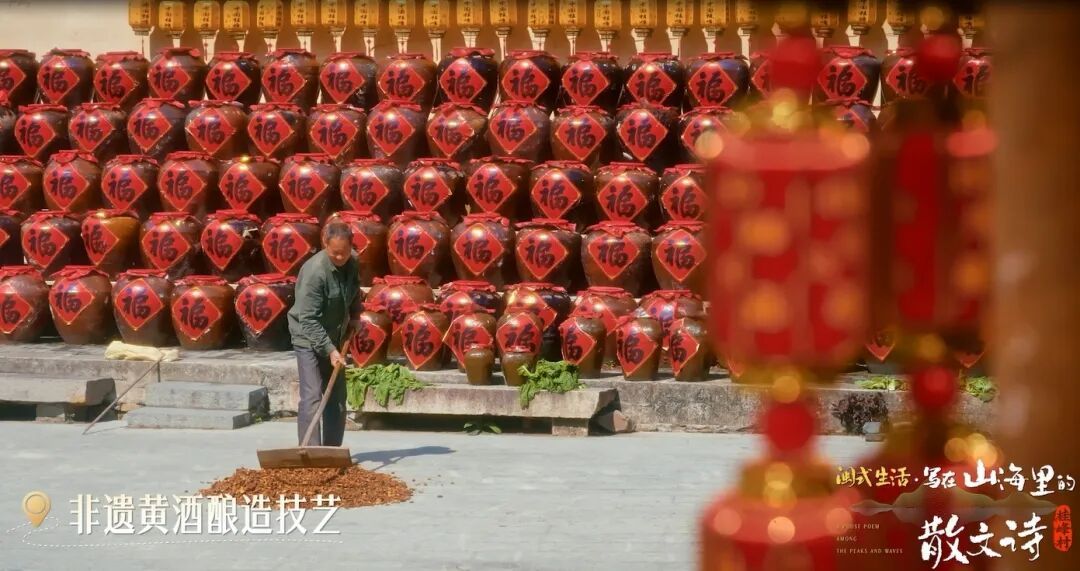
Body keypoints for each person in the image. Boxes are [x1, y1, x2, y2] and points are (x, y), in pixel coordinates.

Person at [287, 221, 361, 446]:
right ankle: (311, 452)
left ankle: (332, 451)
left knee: (337, 397)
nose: (340, 257)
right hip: (307, 337)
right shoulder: (315, 272)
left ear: (351, 246)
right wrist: (329, 350)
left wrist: (356, 315)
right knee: (312, 395)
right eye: (334, 252)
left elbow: (354, 290)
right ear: (325, 245)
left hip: (335, 335)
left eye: (344, 252)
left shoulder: (353, 261)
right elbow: (308, 319)